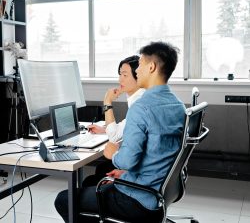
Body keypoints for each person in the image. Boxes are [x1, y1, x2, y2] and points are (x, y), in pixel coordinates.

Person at [54, 41, 186, 223]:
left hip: (137, 199)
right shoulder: (178, 106)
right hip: (157, 192)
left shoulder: (141, 107)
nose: (137, 70)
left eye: (139, 65)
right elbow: (158, 155)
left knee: (64, 199)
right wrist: (125, 174)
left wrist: (113, 154)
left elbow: (127, 160)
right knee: (91, 184)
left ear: (151, 67)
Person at [83, 55, 145, 185]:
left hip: (136, 169)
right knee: (101, 168)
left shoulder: (139, 103)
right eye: (120, 74)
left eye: (125, 75)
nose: (120, 79)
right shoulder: (140, 98)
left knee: (91, 180)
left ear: (138, 76)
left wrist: (107, 102)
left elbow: (114, 137)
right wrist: (105, 130)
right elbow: (127, 126)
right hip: (138, 164)